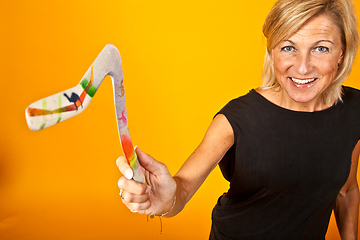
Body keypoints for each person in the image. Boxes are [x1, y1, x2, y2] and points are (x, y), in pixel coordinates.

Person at [116, 0, 360, 239]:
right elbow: (183, 189)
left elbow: (346, 189)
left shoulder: (354, 110)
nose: (303, 68)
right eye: (289, 47)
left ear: (341, 53)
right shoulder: (238, 118)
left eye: (321, 48)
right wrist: (166, 199)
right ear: (271, 51)